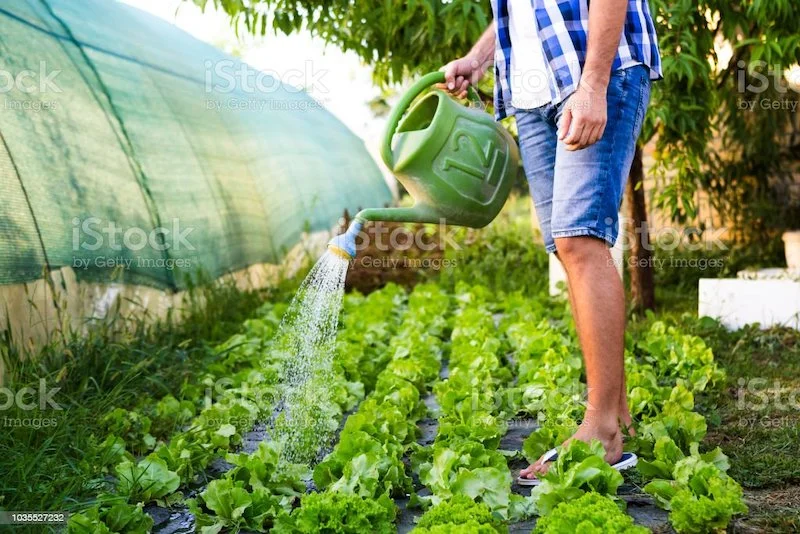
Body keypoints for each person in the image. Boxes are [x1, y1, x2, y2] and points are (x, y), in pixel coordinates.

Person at [441, 0, 662, 484]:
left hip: (590, 74)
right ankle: (617, 413)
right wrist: (479, 58)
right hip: (530, 92)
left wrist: (594, 85)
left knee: (580, 240)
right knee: (568, 248)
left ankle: (602, 432)